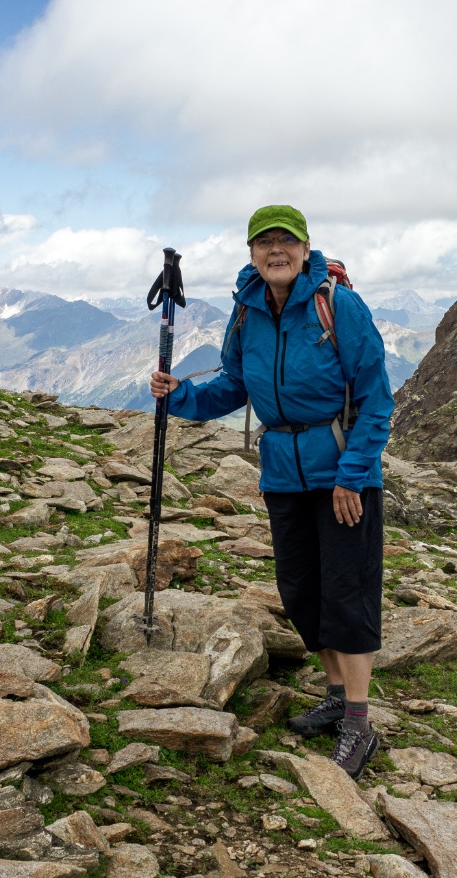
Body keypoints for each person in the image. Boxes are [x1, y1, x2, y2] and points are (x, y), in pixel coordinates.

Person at [150, 205, 394, 778]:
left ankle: (359, 724)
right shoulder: (248, 308)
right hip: (283, 471)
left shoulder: (338, 304)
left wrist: (351, 475)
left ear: (306, 249)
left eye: (287, 241)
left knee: (347, 594)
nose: (275, 251)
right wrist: (179, 395)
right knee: (304, 593)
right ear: (252, 253)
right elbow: (236, 384)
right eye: (265, 243)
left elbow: (376, 398)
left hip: (342, 475)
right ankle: (335, 696)